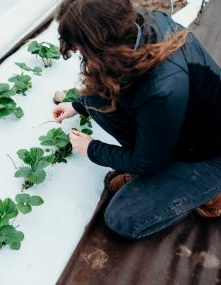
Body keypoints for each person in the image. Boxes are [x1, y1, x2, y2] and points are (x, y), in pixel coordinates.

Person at [52, 0, 221, 239]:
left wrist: (92, 149)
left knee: (122, 219)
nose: (79, 52)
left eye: (82, 47)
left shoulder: (163, 88)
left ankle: (212, 194)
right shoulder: (134, 24)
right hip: (182, 125)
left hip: (210, 155)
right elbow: (109, 88)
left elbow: (145, 163)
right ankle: (162, 168)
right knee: (95, 100)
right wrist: (78, 106)